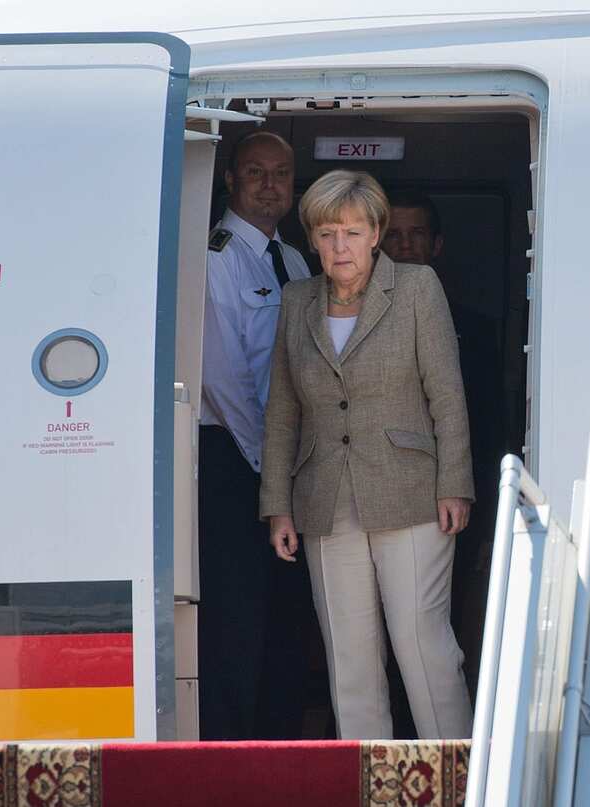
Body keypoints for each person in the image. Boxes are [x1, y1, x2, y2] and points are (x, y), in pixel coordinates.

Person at [261, 170, 475, 740]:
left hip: (411, 494)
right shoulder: (297, 299)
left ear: (376, 233)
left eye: (352, 232)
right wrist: (277, 506)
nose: (339, 247)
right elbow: (283, 411)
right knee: (349, 661)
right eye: (327, 233)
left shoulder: (416, 287)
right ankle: (373, 786)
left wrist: (455, 482)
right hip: (325, 501)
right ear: (311, 239)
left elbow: (447, 394)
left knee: (423, 646)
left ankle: (459, 778)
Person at [198, 130, 313, 740]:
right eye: (255, 174)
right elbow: (223, 380)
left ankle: (283, 750)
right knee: (238, 618)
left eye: (280, 174)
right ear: (231, 181)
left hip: (286, 462)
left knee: (287, 619)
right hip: (235, 459)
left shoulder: (294, 260)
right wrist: (270, 472)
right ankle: (232, 756)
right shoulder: (216, 256)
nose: (269, 186)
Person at [382, 191, 506, 679]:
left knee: (437, 629)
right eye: (394, 233)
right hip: (375, 497)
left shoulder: (473, 329)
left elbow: (490, 423)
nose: (405, 244)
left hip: (453, 501)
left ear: (437, 245)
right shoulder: (338, 315)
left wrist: (486, 511)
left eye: (416, 234)